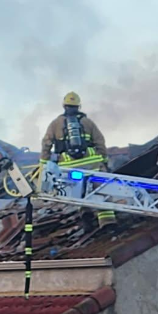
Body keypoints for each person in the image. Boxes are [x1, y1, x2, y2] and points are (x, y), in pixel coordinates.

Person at [41, 92, 117, 229]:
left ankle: (85, 215)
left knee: (78, 190)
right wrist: (104, 161)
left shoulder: (55, 124)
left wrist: (43, 164)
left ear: (64, 105)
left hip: (68, 166)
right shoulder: (87, 122)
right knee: (100, 189)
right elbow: (100, 142)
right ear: (79, 106)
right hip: (91, 164)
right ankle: (107, 221)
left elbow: (46, 144)